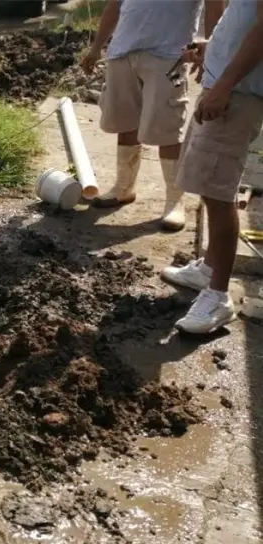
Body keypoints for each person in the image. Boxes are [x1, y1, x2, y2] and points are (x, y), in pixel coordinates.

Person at [161, 0, 263, 334]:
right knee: (208, 186)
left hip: (236, 95)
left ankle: (218, 296)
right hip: (227, 88)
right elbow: (244, 23)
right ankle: (208, 268)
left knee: (219, 194)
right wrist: (213, 48)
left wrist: (224, 84)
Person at [80, 0, 224, 231]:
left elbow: (215, 7)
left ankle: (174, 201)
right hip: (123, 50)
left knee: (166, 126)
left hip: (169, 54)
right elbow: (114, 6)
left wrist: (213, 51)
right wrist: (97, 47)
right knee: (125, 121)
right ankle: (124, 187)